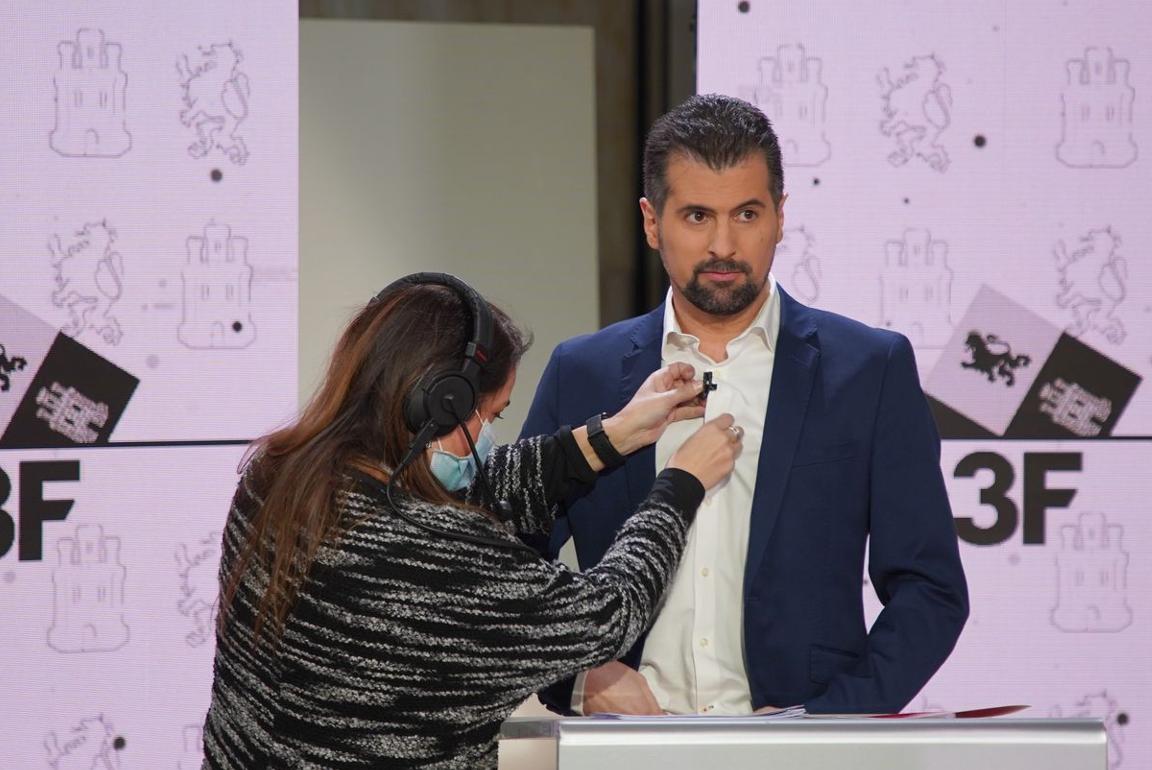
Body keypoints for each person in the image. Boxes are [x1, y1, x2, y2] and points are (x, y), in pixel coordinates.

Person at [521, 95, 970, 717]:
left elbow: (930, 591)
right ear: (652, 223)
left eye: (748, 214)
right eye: (698, 216)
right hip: (624, 750)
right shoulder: (584, 373)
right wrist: (582, 675)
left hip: (805, 756)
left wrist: (828, 723)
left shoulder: (869, 370)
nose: (724, 245)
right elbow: (500, 565)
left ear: (781, 217)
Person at [201, 273, 743, 769]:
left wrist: (615, 435)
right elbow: (608, 614)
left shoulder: (276, 481)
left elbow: (462, 490)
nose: (490, 436)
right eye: (492, 415)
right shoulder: (441, 554)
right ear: (438, 404)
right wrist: (679, 484)